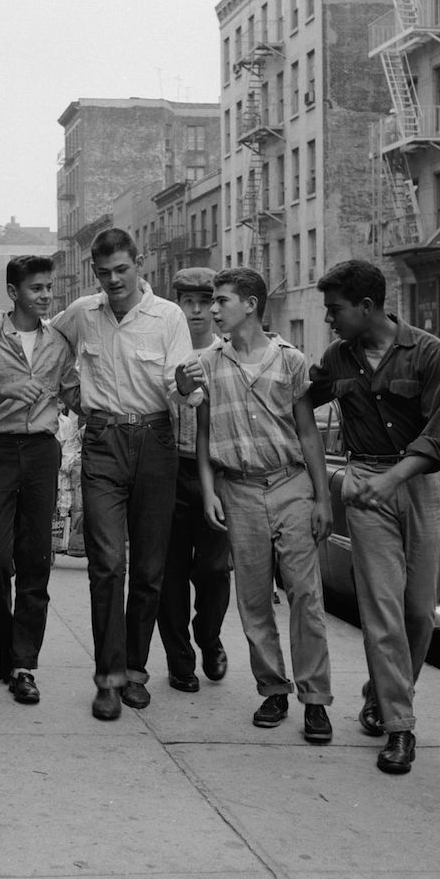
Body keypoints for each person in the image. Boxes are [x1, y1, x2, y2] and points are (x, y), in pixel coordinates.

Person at [39, 228, 193, 720]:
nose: (113, 281)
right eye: (103, 273)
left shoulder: (168, 317)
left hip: (155, 442)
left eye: (121, 270)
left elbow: (183, 388)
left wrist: (188, 385)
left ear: (139, 262)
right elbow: (46, 340)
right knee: (107, 565)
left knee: (149, 568)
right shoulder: (83, 312)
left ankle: (135, 670)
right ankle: (107, 679)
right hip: (103, 441)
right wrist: (68, 392)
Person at [308, 259, 440, 774]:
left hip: (418, 488)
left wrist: (391, 480)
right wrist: (333, 482)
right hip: (365, 489)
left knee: (419, 611)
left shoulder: (429, 352)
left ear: (367, 307)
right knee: (382, 614)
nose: (330, 319)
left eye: (336, 309)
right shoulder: (336, 358)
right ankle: (399, 727)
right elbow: (301, 403)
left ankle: (382, 692)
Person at [187, 267, 334, 744]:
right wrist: (210, 491)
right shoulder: (208, 364)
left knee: (305, 596)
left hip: (291, 485)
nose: (212, 309)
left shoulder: (290, 362)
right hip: (239, 490)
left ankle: (315, 700)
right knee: (252, 599)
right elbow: (205, 434)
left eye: (222, 300)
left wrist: (321, 497)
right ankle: (272, 688)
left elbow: (308, 434)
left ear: (250, 304)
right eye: (211, 301)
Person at [0, 255, 79, 704]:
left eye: (48, 288)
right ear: (13, 293)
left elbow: (72, 391)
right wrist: (2, 391)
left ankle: (24, 663)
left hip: (43, 453)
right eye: (36, 289)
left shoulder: (59, 341)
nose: (45, 295)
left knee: (34, 560)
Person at [157, 267, 231, 693]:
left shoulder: (228, 353)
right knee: (168, 571)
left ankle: (210, 637)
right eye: (190, 301)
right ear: (178, 303)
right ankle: (179, 659)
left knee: (214, 568)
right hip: (168, 471)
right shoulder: (166, 349)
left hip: (215, 474)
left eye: (208, 301)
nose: (199, 310)